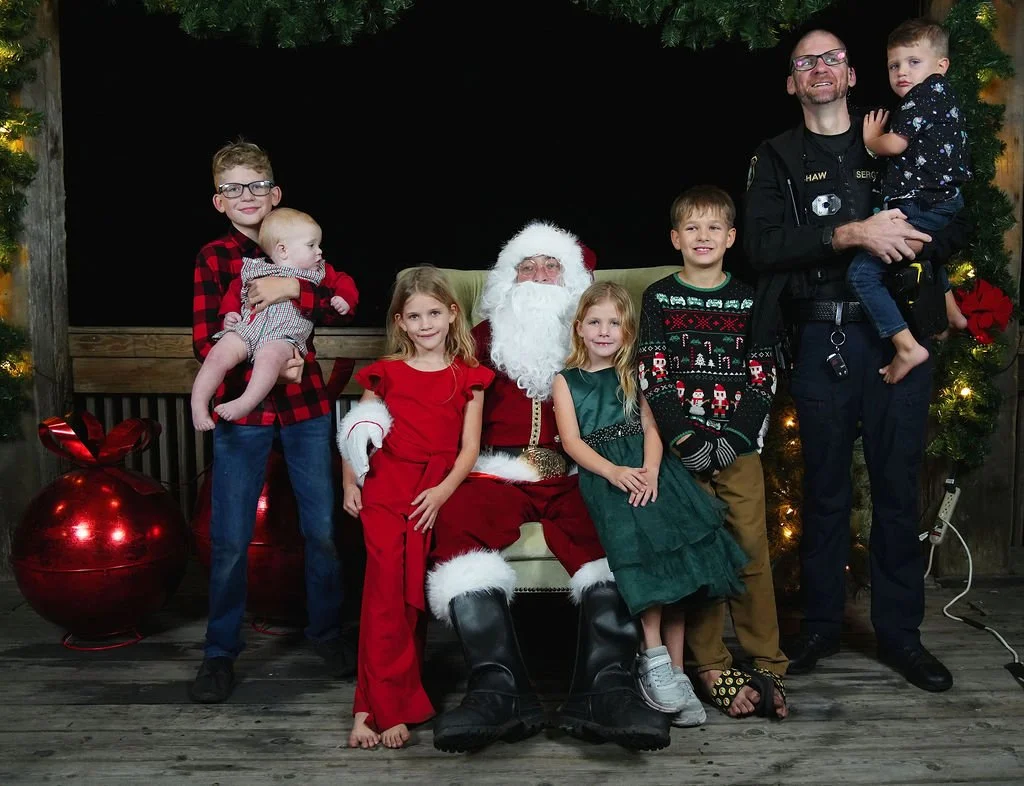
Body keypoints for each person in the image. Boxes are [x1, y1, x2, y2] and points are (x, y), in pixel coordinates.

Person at [342, 220, 673, 753]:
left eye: (551, 266)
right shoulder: (475, 341)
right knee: (455, 523)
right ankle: (497, 690)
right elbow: (411, 383)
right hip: (494, 472)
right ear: (506, 278)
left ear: (572, 281)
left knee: (611, 529)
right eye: (526, 266)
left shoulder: (591, 336)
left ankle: (605, 689)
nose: (538, 277)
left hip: (575, 472)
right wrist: (364, 434)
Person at [743, 27, 968, 692]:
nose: (820, 68)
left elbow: (952, 206)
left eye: (833, 57)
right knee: (826, 491)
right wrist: (850, 233)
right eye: (806, 61)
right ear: (793, 82)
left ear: (850, 74)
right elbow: (759, 246)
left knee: (899, 493)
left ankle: (901, 636)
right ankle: (819, 625)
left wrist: (930, 252)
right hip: (822, 340)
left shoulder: (895, 135)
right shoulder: (777, 155)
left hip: (899, 338)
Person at [189, 139, 357, 704]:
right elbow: (204, 338)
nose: (246, 196)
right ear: (219, 200)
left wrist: (293, 288)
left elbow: (341, 296)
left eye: (256, 186)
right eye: (233, 188)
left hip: (307, 407)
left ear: (274, 193)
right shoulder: (215, 258)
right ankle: (219, 652)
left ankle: (327, 633)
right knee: (232, 537)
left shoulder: (301, 239)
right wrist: (273, 356)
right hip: (246, 409)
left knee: (322, 530)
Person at [553, 280, 749, 728]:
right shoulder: (566, 381)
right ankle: (652, 657)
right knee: (645, 556)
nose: (605, 331)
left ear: (628, 331)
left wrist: (653, 470)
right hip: (608, 475)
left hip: (652, 471)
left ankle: (677, 672)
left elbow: (652, 429)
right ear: (580, 327)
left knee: (678, 564)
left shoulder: (634, 374)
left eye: (615, 323)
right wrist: (616, 473)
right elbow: (571, 442)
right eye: (595, 322)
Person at [638, 185, 789, 720]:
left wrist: (733, 437)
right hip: (683, 450)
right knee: (701, 553)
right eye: (692, 229)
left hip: (739, 446)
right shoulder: (659, 297)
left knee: (749, 549)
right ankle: (710, 664)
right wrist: (685, 438)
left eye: (713, 229)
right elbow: (652, 375)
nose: (703, 237)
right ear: (676, 238)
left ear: (730, 237)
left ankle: (767, 659)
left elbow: (761, 371)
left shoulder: (750, 300)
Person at [337, 265, 493, 750]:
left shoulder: (470, 377)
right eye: (413, 316)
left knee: (410, 596)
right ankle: (372, 708)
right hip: (387, 485)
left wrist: (443, 491)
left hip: (434, 488)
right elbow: (357, 431)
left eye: (433, 314)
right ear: (400, 322)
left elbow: (470, 448)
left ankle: (390, 699)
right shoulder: (387, 372)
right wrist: (349, 483)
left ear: (451, 315)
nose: (425, 324)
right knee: (383, 592)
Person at [850, 17, 971, 384]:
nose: (902, 72)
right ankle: (952, 313)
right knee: (923, 250)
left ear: (940, 65)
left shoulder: (924, 95)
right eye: (894, 65)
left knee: (861, 274)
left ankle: (906, 346)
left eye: (913, 62)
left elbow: (896, 144)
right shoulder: (944, 98)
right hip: (941, 202)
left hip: (925, 204)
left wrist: (872, 139)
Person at [191, 207, 358, 430]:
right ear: (283, 250)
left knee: (268, 357)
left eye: (318, 245)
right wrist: (229, 313)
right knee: (218, 354)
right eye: (311, 245)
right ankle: (198, 406)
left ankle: (245, 402)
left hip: (283, 337)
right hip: (247, 329)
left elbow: (344, 282)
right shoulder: (256, 269)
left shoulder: (320, 272)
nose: (319, 252)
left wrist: (344, 298)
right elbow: (235, 291)